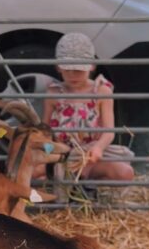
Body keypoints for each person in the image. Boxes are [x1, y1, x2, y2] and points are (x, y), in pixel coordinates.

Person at [41, 32, 134, 182]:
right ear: (58, 67)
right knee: (32, 172)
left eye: (78, 69)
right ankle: (65, 181)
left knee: (124, 173)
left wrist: (98, 148)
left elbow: (109, 132)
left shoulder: (102, 91)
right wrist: (50, 152)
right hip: (61, 156)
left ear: (91, 66)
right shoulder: (53, 93)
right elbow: (44, 131)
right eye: (67, 69)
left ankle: (88, 184)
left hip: (91, 156)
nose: (72, 75)